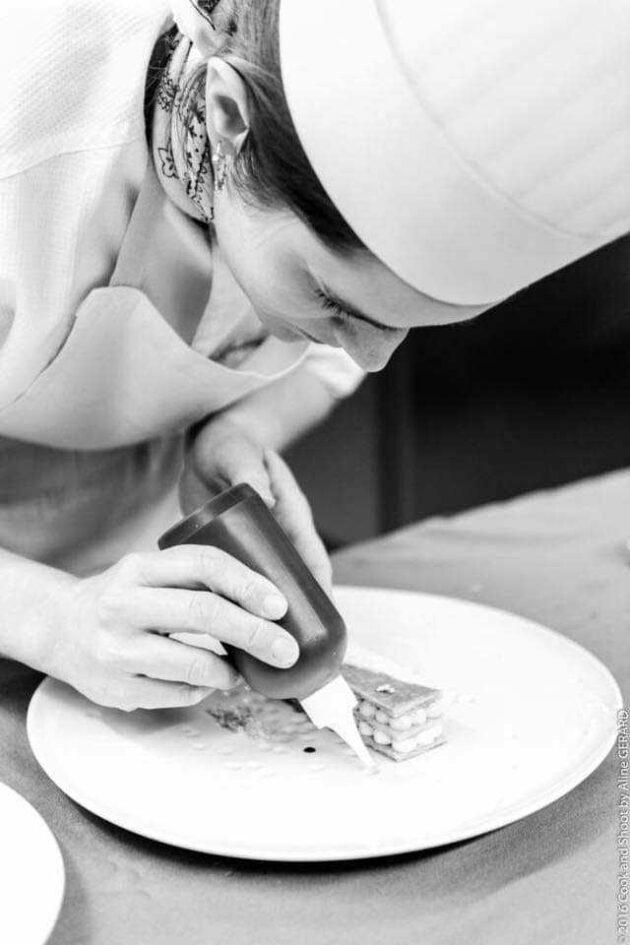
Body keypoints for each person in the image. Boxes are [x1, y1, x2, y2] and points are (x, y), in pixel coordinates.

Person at [0, 0, 628, 712]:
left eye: (409, 324)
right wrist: (53, 619)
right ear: (228, 117)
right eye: (332, 301)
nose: (373, 356)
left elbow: (337, 361)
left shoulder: (311, 235)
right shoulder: (21, 152)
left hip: (142, 592)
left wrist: (235, 434)